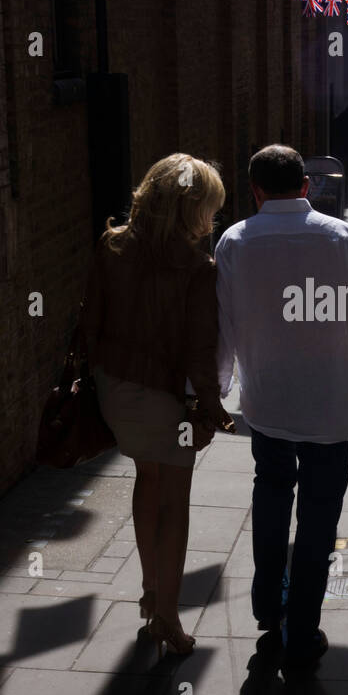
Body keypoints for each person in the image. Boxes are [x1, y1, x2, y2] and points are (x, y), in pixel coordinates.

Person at [215, 144, 348, 667]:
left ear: (255, 190)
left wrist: (215, 391)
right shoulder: (340, 239)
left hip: (267, 405)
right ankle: (302, 626)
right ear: (305, 186)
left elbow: (223, 327)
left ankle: (268, 608)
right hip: (329, 408)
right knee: (319, 516)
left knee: (272, 499)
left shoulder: (234, 243)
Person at [81, 154, 235, 658]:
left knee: (148, 480)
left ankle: (152, 593)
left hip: (114, 386)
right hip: (162, 397)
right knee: (175, 503)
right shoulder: (195, 268)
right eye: (208, 208)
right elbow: (198, 351)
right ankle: (166, 617)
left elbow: (91, 319)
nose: (210, 220)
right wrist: (211, 409)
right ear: (191, 209)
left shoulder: (112, 244)